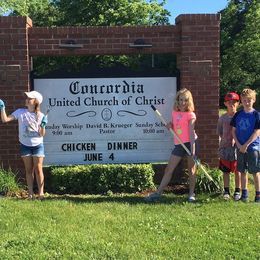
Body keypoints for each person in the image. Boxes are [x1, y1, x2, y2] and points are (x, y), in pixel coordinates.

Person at [146, 88, 197, 202]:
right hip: (179, 145)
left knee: (191, 169)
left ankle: (191, 194)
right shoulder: (175, 113)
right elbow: (174, 126)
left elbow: (191, 134)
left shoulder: (191, 115)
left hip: (190, 144)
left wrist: (192, 150)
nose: (183, 102)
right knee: (169, 168)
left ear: (189, 101)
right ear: (177, 101)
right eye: (181, 100)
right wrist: (169, 125)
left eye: (185, 100)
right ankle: (158, 193)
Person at [0, 91, 48, 200]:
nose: (26, 99)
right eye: (27, 98)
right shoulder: (20, 112)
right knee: (28, 170)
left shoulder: (41, 116)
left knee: (38, 169)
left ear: (35, 102)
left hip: (38, 145)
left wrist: (43, 125)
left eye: (29, 98)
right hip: (25, 145)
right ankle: (30, 194)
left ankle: (41, 194)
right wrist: (2, 107)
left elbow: (41, 134)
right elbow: (5, 119)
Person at [231, 88, 260, 203]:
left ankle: (258, 195)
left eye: (249, 100)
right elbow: (233, 130)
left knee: (255, 171)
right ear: (241, 101)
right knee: (242, 171)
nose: (247, 102)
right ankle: (244, 193)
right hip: (240, 146)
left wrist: (246, 145)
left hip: (253, 147)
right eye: (244, 100)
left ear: (253, 100)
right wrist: (239, 145)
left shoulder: (256, 115)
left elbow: (257, 132)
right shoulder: (238, 114)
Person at [217, 92, 241, 200]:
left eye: (234, 102)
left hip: (237, 147)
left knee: (237, 170)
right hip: (225, 147)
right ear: (225, 103)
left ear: (238, 103)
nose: (232, 104)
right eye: (229, 102)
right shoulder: (222, 118)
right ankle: (226, 191)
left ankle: (237, 191)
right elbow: (220, 132)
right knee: (225, 171)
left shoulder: (240, 117)